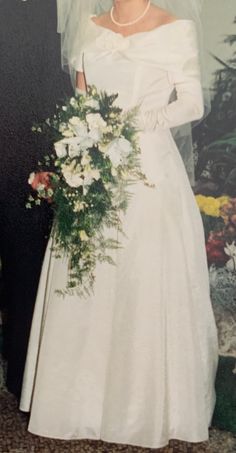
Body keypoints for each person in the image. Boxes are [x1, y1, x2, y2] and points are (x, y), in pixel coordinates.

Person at [20, 0, 218, 448]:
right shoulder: (88, 29)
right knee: (88, 278)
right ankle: (78, 404)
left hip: (149, 172)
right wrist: (71, 160)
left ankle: (141, 407)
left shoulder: (175, 28)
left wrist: (136, 123)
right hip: (94, 171)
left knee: (142, 278)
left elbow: (192, 102)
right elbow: (81, 103)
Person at [0, 0, 71, 398]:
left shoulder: (43, 26)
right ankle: (22, 377)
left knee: (26, 275)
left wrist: (47, 167)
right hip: (28, 167)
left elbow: (53, 98)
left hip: (27, 172)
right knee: (25, 276)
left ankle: (23, 375)